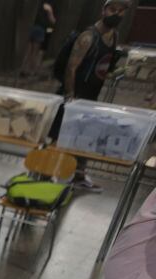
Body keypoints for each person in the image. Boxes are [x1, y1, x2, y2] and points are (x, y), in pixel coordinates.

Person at [54, 0, 128, 190]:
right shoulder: (88, 36)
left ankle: (78, 177)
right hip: (74, 96)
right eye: (113, 9)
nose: (116, 14)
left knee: (86, 137)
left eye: (121, 11)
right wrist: (70, 97)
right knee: (58, 137)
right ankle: (44, 173)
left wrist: (116, 73)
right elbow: (71, 67)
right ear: (103, 10)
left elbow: (102, 68)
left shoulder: (113, 36)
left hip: (91, 96)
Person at [23, 2, 56, 77]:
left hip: (32, 27)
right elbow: (52, 20)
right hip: (40, 29)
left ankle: (25, 69)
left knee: (28, 51)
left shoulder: (38, 5)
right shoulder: (48, 6)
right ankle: (32, 71)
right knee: (35, 51)